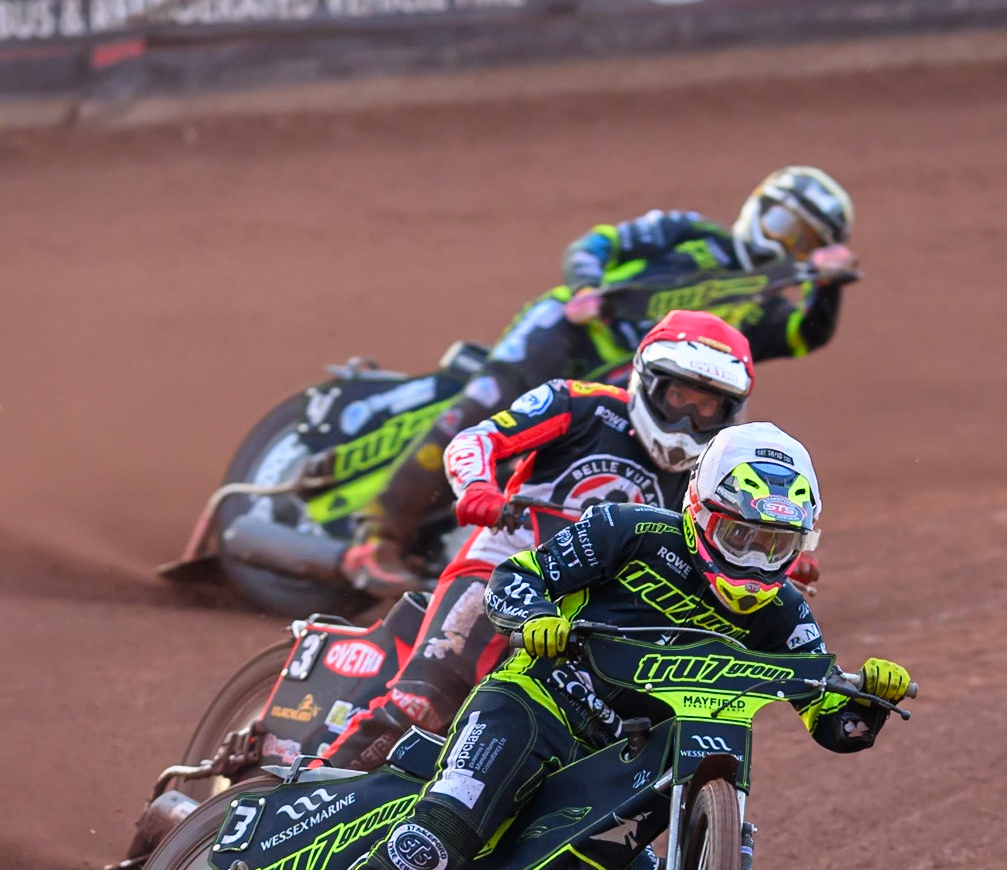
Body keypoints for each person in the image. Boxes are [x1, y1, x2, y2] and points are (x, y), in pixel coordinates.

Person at [235, 420, 911, 870]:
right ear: (701, 513)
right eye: (740, 533)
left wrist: (866, 701)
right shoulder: (628, 531)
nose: (755, 557)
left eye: (775, 542)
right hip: (534, 708)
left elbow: (833, 724)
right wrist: (535, 621)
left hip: (627, 766)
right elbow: (516, 579)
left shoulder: (783, 613)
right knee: (438, 841)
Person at [341, 166, 857, 595]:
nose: (786, 242)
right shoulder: (693, 234)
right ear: (757, 208)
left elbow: (803, 335)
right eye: (784, 223)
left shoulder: (764, 311)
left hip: (628, 386)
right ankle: (376, 538)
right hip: (564, 336)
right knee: (480, 410)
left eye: (804, 239)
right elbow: (601, 241)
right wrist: (586, 285)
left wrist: (828, 287)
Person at [321, 308, 755, 771]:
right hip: (501, 573)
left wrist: (764, 554)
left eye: (707, 406)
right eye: (678, 396)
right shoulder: (580, 403)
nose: (689, 419)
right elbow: (478, 439)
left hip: (597, 614)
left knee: (604, 750)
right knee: (422, 705)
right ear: (648, 381)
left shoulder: (716, 470)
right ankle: (302, 794)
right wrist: (478, 488)